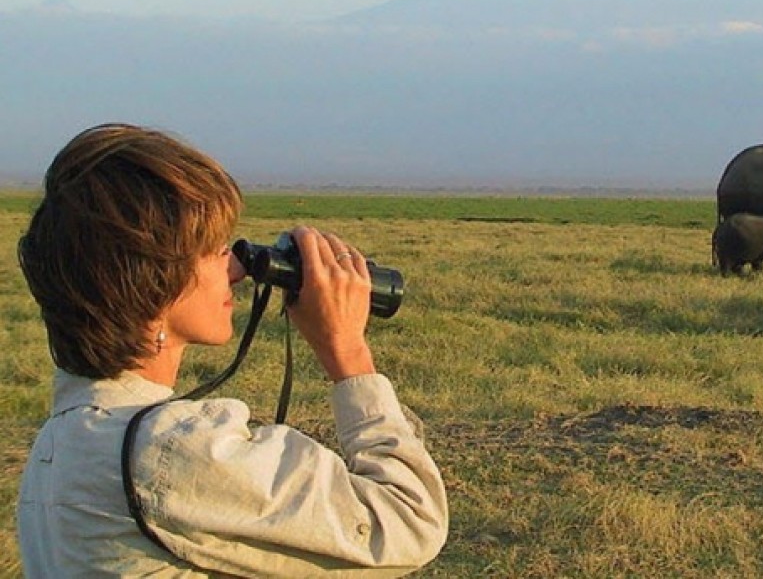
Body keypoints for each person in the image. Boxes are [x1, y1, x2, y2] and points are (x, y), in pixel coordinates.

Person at [16, 123, 448, 576]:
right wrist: (346, 351)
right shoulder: (166, 452)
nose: (239, 268)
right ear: (154, 280)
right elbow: (408, 524)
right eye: (215, 250)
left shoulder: (64, 436)